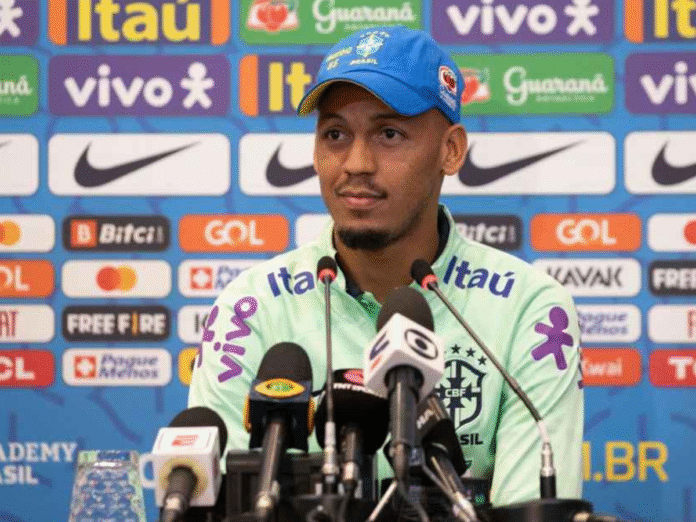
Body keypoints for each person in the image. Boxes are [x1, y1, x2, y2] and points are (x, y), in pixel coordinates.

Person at [188, 25, 583, 506]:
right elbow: (220, 503)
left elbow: (531, 509)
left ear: (451, 150)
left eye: (389, 134)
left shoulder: (529, 308)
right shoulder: (250, 308)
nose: (356, 163)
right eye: (335, 134)